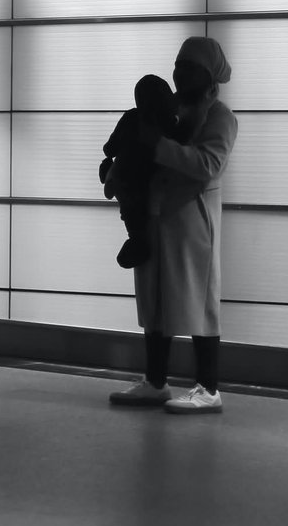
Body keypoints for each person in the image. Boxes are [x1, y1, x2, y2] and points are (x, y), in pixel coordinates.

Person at [108, 36, 239, 414]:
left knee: (199, 304)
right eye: (178, 66)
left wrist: (157, 146)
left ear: (209, 74)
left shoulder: (220, 116)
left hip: (192, 222)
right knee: (155, 302)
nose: (180, 74)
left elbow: (209, 165)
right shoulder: (167, 108)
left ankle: (208, 388)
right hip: (154, 217)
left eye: (190, 68)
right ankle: (155, 382)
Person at [98, 74, 181, 269]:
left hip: (127, 173)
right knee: (135, 207)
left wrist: (109, 156)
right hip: (148, 176)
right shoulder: (168, 122)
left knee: (129, 207)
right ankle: (137, 241)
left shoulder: (132, 117)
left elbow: (111, 146)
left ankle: (136, 239)